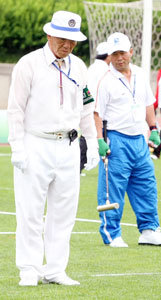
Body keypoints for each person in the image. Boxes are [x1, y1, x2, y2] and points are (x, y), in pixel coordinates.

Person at [7, 10, 99, 286]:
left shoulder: (79, 67)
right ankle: (29, 268)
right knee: (30, 209)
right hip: (36, 142)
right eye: (62, 38)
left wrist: (91, 143)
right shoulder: (29, 64)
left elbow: (86, 109)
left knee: (64, 210)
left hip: (68, 146)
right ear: (50, 34)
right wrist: (17, 148)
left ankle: (56, 268)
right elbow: (15, 110)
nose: (67, 45)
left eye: (72, 40)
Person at [94, 32, 161, 248]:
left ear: (131, 52)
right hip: (116, 139)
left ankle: (149, 230)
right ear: (109, 56)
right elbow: (97, 113)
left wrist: (153, 128)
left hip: (139, 139)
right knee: (113, 188)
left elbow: (148, 103)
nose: (119, 58)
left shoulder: (139, 74)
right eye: (114, 54)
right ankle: (112, 234)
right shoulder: (105, 81)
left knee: (146, 184)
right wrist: (100, 140)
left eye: (123, 53)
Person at [80, 42, 111, 175]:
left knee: (89, 135)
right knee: (91, 137)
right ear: (109, 55)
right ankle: (79, 165)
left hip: (87, 106)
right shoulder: (105, 70)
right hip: (97, 109)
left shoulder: (92, 67)